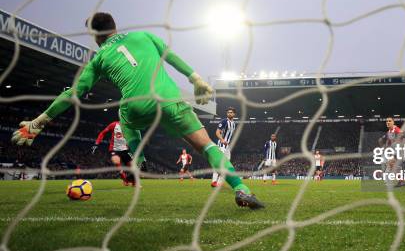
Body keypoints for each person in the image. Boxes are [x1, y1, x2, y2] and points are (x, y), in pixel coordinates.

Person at [11, 12, 263, 209]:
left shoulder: (99, 59)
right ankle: (241, 188)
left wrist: (39, 122)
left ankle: (138, 158)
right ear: (115, 26)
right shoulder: (144, 36)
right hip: (169, 100)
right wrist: (195, 78)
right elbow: (171, 56)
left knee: (124, 117)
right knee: (208, 146)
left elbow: (73, 94)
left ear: (96, 37)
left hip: (136, 107)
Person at [92, 120, 133, 186]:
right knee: (118, 165)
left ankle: (132, 181)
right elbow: (103, 133)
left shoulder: (130, 126)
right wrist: (96, 143)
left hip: (125, 150)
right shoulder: (114, 124)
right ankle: (125, 180)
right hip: (114, 149)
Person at [213, 106, 237, 187]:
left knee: (226, 164)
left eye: (231, 112)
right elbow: (217, 132)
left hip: (227, 146)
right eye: (228, 112)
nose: (229, 113)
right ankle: (214, 181)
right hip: (221, 144)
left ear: (234, 114)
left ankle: (219, 183)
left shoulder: (234, 123)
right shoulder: (224, 121)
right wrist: (222, 140)